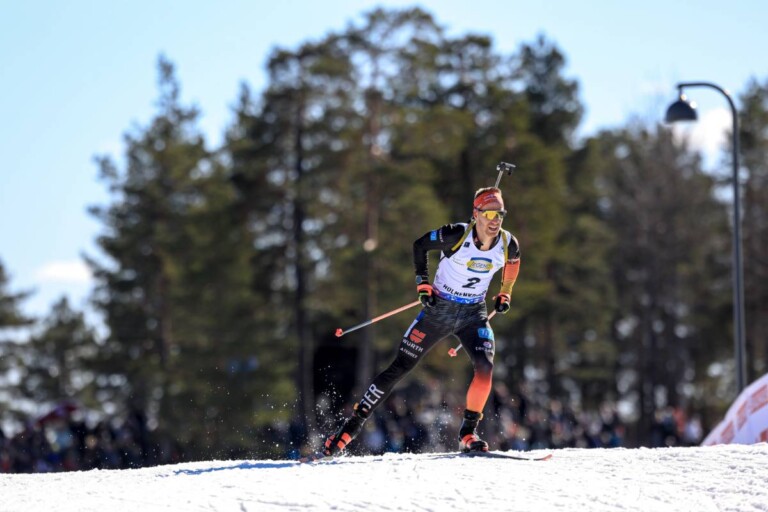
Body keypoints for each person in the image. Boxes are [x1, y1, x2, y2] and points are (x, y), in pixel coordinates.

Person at [322, 186, 521, 456]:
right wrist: (422, 284)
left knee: (485, 368)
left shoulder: (508, 243)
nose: (495, 220)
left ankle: (468, 433)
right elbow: (420, 245)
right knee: (400, 367)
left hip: (473, 315)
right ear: (476, 214)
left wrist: (505, 292)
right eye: (489, 213)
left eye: (500, 214)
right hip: (439, 311)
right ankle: (349, 428)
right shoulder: (456, 234)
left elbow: (513, 262)